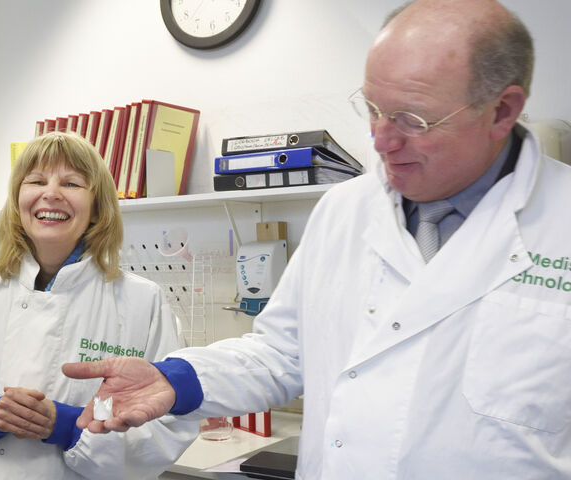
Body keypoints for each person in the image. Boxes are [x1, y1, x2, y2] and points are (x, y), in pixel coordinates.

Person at [63, 1, 571, 478]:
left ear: (502, 111)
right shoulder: (344, 210)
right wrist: (175, 380)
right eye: (373, 108)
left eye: (413, 120)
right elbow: (282, 353)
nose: (381, 140)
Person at [0, 131, 197, 479]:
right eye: (36, 181)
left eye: (71, 183)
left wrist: (67, 426)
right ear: (18, 200)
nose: (51, 193)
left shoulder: (141, 300)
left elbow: (167, 427)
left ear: (97, 208)